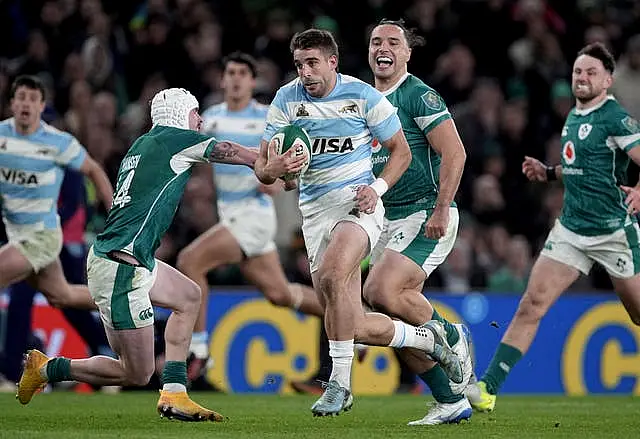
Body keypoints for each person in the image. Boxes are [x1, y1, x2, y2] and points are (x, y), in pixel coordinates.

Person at [16, 88, 260, 422]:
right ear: (179, 115)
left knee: (189, 296)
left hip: (130, 260)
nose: (200, 120)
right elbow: (227, 149)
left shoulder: (143, 144)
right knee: (136, 373)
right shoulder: (175, 138)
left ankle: (175, 392)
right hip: (120, 268)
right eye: (195, 112)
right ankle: (47, 369)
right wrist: (260, 158)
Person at [255, 28, 463, 417]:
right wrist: (277, 169)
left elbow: (400, 151)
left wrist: (377, 188)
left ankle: (339, 385)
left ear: (332, 62)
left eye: (313, 63)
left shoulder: (362, 96)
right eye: (299, 64)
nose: (306, 72)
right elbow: (263, 169)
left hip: (358, 206)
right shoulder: (285, 99)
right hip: (315, 214)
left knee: (335, 274)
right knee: (353, 322)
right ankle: (427, 340)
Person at [468, 42, 640, 412]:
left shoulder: (614, 117)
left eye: (591, 72)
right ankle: (488, 389)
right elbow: (585, 166)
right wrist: (548, 173)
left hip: (613, 232)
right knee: (532, 303)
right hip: (571, 231)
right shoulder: (576, 115)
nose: (582, 77)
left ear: (608, 80)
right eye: (579, 71)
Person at [176, 52, 324, 378]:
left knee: (189, 261)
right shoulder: (210, 117)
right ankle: (350, 316)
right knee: (280, 295)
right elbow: (196, 161)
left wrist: (282, 180)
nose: (236, 78)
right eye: (230, 72)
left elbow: (293, 169)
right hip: (229, 216)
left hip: (254, 216)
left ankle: (198, 349)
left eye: (243, 72)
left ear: (253, 81)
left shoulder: (267, 119)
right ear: (222, 79)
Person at [362, 19, 473, 425]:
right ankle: (450, 400)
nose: (383, 47)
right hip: (385, 219)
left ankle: (452, 335)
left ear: (408, 53)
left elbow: (455, 153)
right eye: (376, 41)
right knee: (392, 317)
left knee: (380, 288)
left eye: (393, 41)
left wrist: (442, 208)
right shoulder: (362, 99)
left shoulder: (417, 95)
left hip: (425, 211)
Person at [0, 75, 112, 310]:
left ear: (41, 106)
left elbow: (94, 170)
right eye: (21, 97)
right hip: (15, 234)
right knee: (62, 295)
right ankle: (122, 302)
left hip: (42, 236)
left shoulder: (58, 142)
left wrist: (115, 217)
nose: (26, 104)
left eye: (33, 99)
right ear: (12, 104)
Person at [1, 170, 114, 388]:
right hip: (33, 242)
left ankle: (105, 352)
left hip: (62, 242)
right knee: (22, 301)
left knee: (67, 302)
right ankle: (12, 372)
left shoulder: (61, 156)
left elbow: (72, 203)